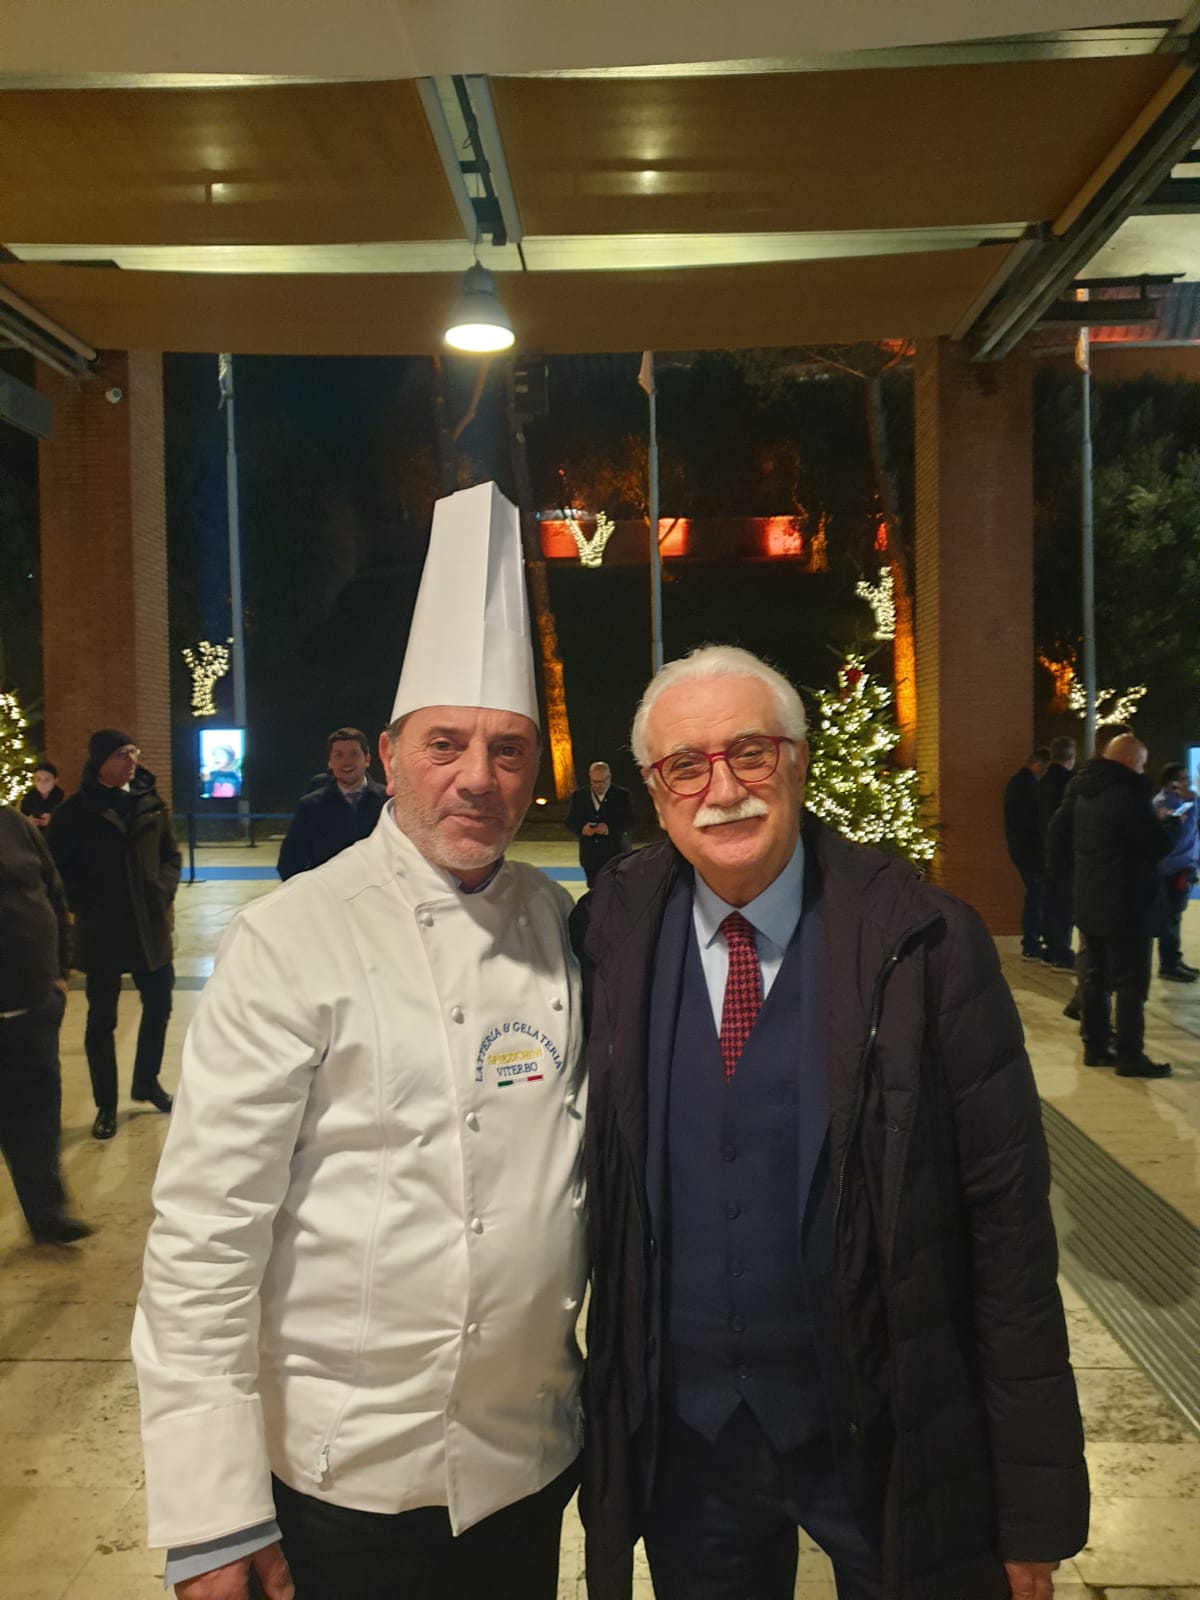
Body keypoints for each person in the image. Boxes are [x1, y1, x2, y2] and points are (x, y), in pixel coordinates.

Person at [132, 483, 587, 1600]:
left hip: (530, 1466)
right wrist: (212, 1518)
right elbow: (207, 1232)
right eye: (446, 743)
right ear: (388, 755)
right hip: (345, 1480)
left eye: (509, 749)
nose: (477, 777)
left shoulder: (562, 923)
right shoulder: (291, 937)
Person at [572, 645, 1087, 1600]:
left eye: (750, 753)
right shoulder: (610, 934)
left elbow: (1008, 1230)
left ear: (799, 761)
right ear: (655, 790)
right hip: (690, 1449)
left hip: (886, 1434)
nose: (723, 789)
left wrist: (1031, 1504)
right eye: (687, 765)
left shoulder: (925, 944)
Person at [46, 730, 180, 1141]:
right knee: (102, 1019)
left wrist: (161, 890)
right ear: (101, 760)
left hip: (148, 926)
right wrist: (85, 901)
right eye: (123, 754)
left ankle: (146, 1082)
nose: (131, 761)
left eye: (133, 752)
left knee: (159, 1003)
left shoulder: (150, 802)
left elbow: (171, 855)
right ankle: (106, 1104)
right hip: (102, 929)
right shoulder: (76, 811)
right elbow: (53, 869)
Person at [0, 802, 91, 1246]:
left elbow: (53, 893)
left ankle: (47, 1214)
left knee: (36, 1116)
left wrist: (59, 973)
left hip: (32, 1006)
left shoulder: (13, 823)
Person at [1062, 733, 1170, 1077]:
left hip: (1091, 899)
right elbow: (1156, 845)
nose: (1143, 770)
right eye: (1141, 763)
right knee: (1130, 983)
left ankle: (1095, 1048)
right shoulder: (1129, 793)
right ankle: (1129, 1055)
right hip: (1127, 904)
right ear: (1129, 761)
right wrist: (1165, 824)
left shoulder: (1084, 790)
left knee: (1095, 977)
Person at [276, 726, 388, 880]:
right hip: (328, 893)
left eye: (354, 754)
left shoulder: (388, 802)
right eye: (338, 755)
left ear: (367, 759)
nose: (346, 761)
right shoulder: (310, 807)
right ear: (330, 762)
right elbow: (289, 863)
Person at [1152, 762, 1199, 983]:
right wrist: (1190, 801)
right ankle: (1168, 964)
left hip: (1183, 866)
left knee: (1176, 916)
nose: (1187, 783)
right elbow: (1176, 832)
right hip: (1171, 869)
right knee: (1170, 917)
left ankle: (1174, 959)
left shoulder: (1182, 801)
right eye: (1182, 779)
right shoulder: (1164, 804)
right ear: (1170, 782)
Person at [1003, 747, 1049, 959]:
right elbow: (1031, 823)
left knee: (1035, 892)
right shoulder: (1027, 786)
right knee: (1036, 893)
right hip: (1028, 850)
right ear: (1039, 764)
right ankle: (1031, 941)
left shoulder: (1017, 783)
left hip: (1020, 848)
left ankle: (1032, 941)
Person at [1037, 735, 1076, 968]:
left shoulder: (1041, 782)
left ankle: (1051, 947)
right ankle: (1061, 951)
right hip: (1065, 853)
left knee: (1051, 901)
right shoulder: (1069, 784)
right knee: (1064, 904)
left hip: (1045, 850)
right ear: (1071, 757)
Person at [565, 760, 634, 886]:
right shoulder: (579, 796)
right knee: (594, 890)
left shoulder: (621, 795)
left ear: (609, 777)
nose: (598, 786)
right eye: (595, 782)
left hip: (615, 854)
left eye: (602, 782)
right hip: (590, 856)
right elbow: (570, 821)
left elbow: (629, 821)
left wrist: (609, 828)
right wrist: (582, 828)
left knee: (614, 890)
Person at [19, 760, 65, 828]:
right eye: (38, 780)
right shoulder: (27, 801)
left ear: (55, 780)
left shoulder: (63, 801)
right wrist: (27, 822)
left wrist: (53, 820)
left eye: (47, 780)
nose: (42, 783)